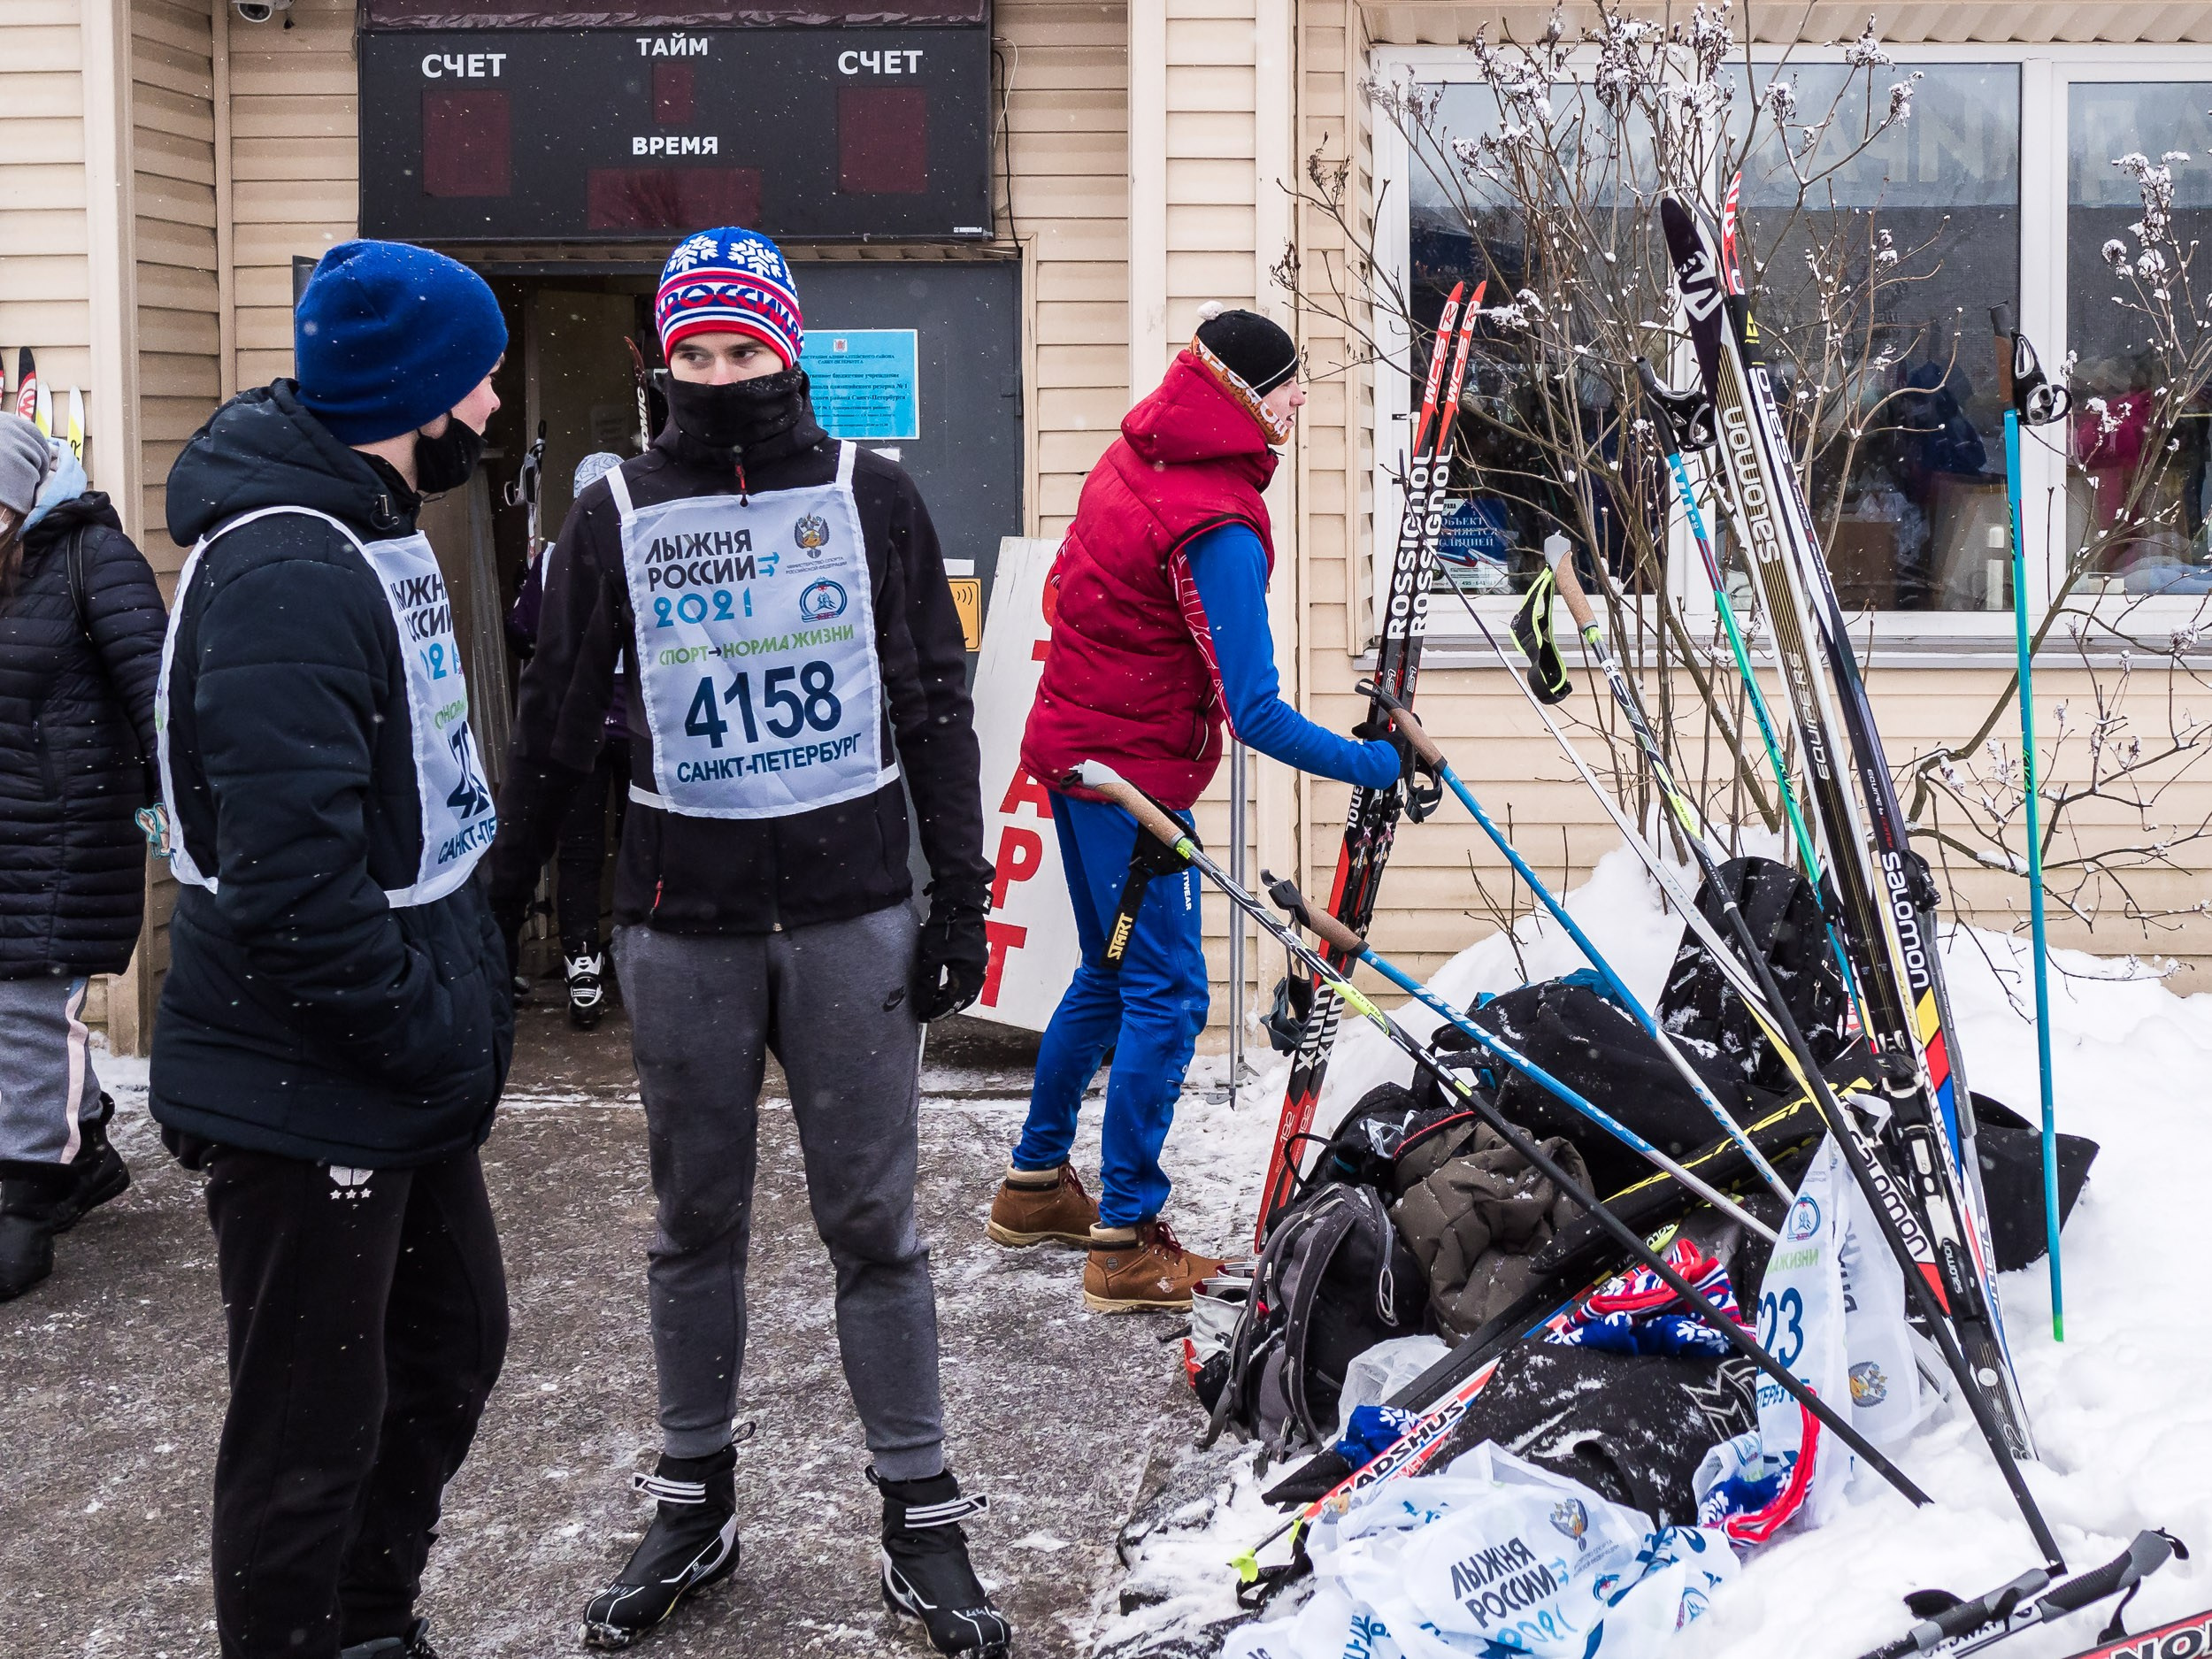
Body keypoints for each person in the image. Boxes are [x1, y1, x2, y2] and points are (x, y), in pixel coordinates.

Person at [484, 227, 1002, 1657]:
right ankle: (694, 1493)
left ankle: (923, 1515)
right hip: (684, 927)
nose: (720, 375)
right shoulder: (615, 514)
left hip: (848, 920)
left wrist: (959, 892)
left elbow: (934, 705)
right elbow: (556, 727)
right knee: (692, 1224)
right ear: (667, 360)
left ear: (790, 350)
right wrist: (509, 907)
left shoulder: (869, 497)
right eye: (696, 351)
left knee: (875, 1227)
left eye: (744, 348)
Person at [152, 239, 514, 1659]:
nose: (490, 411)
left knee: (444, 1347)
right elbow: (291, 884)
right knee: (307, 1426)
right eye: (476, 382)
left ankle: (367, 1625)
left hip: (382, 1066)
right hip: (306, 1078)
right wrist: (426, 1028)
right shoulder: (286, 570)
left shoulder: (363, 521)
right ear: (416, 392)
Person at [995, 306, 1422, 1313]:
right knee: (1168, 996)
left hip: (1080, 754)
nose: (1300, 401)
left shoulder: (1140, 450)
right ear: (1238, 393)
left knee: (1107, 977)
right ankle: (1125, 1244)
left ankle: (1033, 1186)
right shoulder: (1215, 521)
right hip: (1129, 785)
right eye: (1286, 387)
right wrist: (1373, 765)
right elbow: (1257, 713)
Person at [0, 418, 164, 1300]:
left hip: (65, 824)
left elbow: (156, 690)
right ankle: (88, 1146)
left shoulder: (90, 558)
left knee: (26, 998)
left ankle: (24, 1201)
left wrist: (180, 810)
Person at [505, 450, 631, 1027]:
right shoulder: (649, 544)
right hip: (635, 720)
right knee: (638, 841)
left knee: (582, 847)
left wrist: (529, 590)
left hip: (585, 720)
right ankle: (628, 953)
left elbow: (521, 632)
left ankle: (585, 959)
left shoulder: (558, 556)